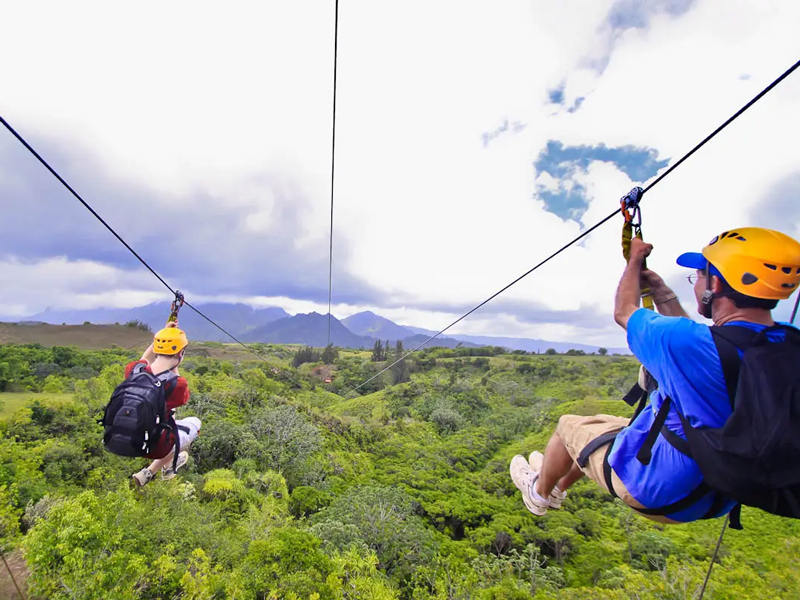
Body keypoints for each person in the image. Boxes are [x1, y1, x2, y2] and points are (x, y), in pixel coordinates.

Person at [510, 226, 800, 522]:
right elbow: (707, 346)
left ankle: (539, 493)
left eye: (700, 275)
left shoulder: (687, 341)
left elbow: (624, 311)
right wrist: (662, 293)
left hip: (660, 489)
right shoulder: (786, 344)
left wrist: (634, 260)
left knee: (567, 425)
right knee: (607, 425)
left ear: (718, 283)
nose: (696, 283)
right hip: (718, 492)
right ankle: (558, 483)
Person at [129, 321, 202, 487]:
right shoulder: (177, 385)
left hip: (127, 438)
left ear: (155, 349)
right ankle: (163, 466)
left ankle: (151, 472)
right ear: (181, 354)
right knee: (194, 423)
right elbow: (177, 385)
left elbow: (144, 359)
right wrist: (175, 362)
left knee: (170, 416)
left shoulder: (134, 371)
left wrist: (163, 336)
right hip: (155, 445)